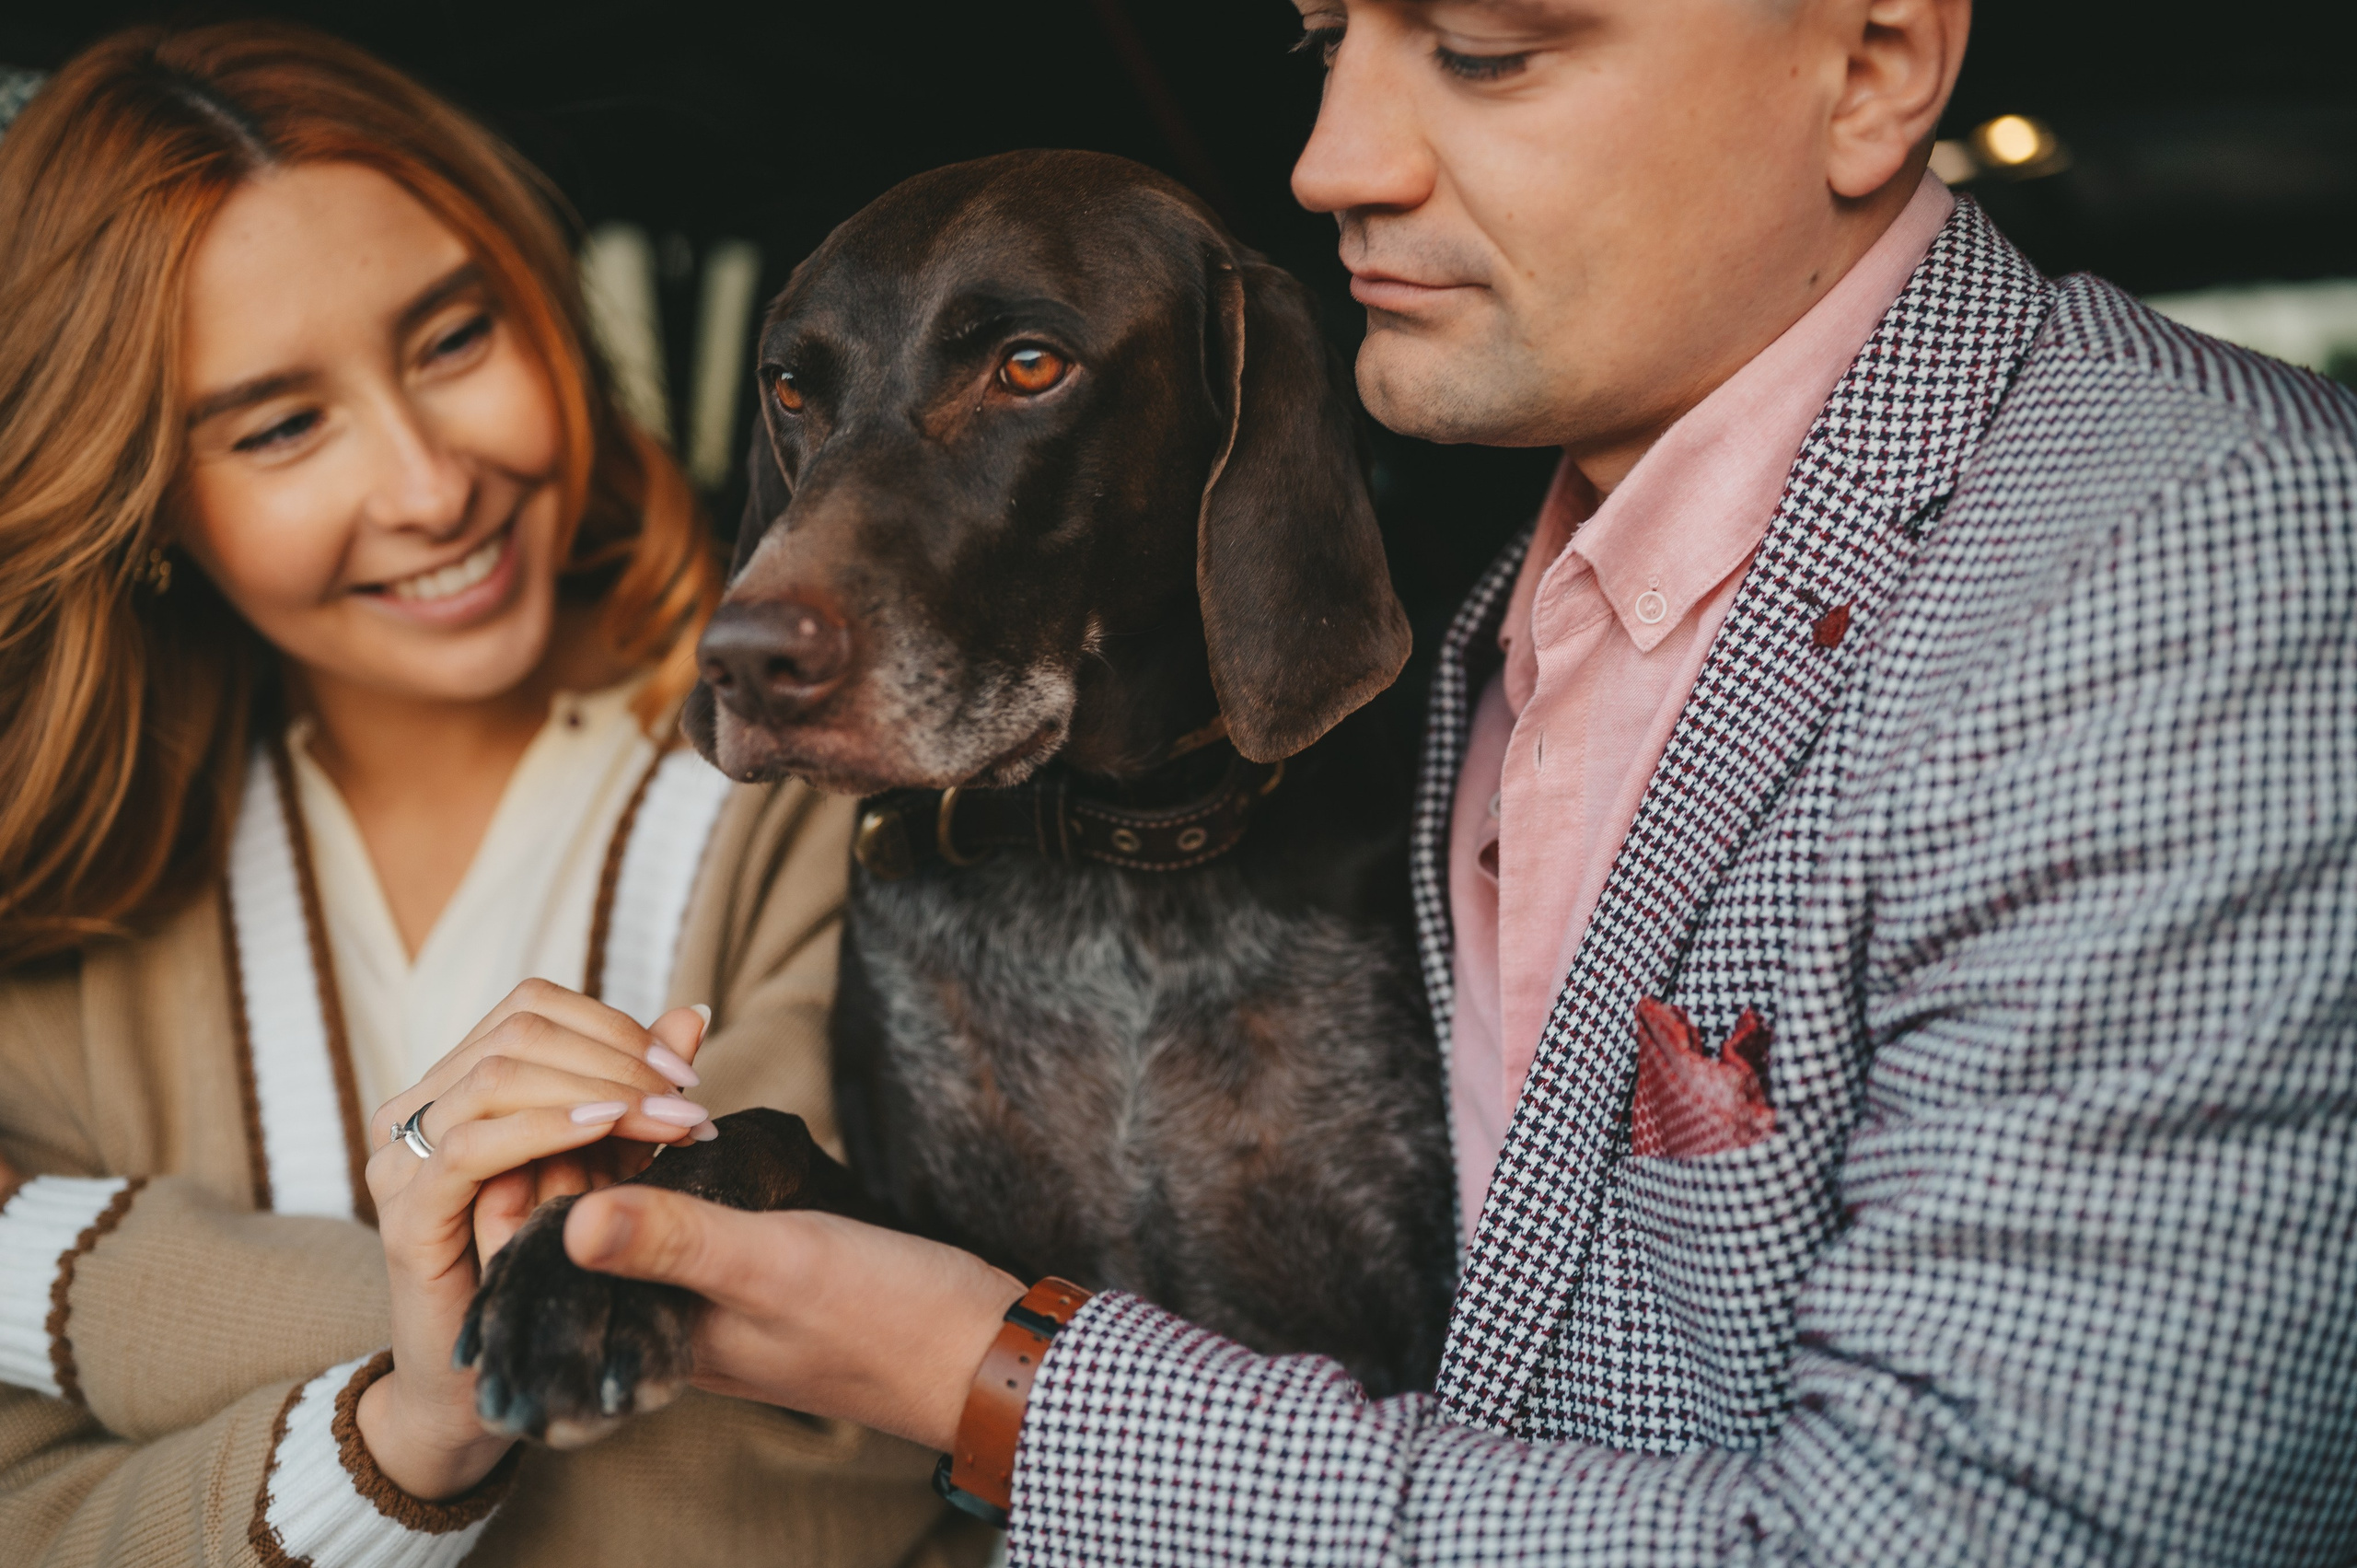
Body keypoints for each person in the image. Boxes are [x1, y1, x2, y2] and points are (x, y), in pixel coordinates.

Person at [528, 0, 2357, 1562]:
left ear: (1872, 61)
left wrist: (985, 1376)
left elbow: (1979, 1537)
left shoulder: (2201, 562)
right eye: (1331, 35)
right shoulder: (1489, 631)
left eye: (1482, 47)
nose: (1327, 159)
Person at [0, 24, 981, 1568]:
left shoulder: (826, 786)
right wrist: (412, 1430)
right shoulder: (64, 929)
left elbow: (813, 1477)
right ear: (144, 499)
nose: (429, 483)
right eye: (279, 426)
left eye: (454, 339)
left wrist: (57, 1274)